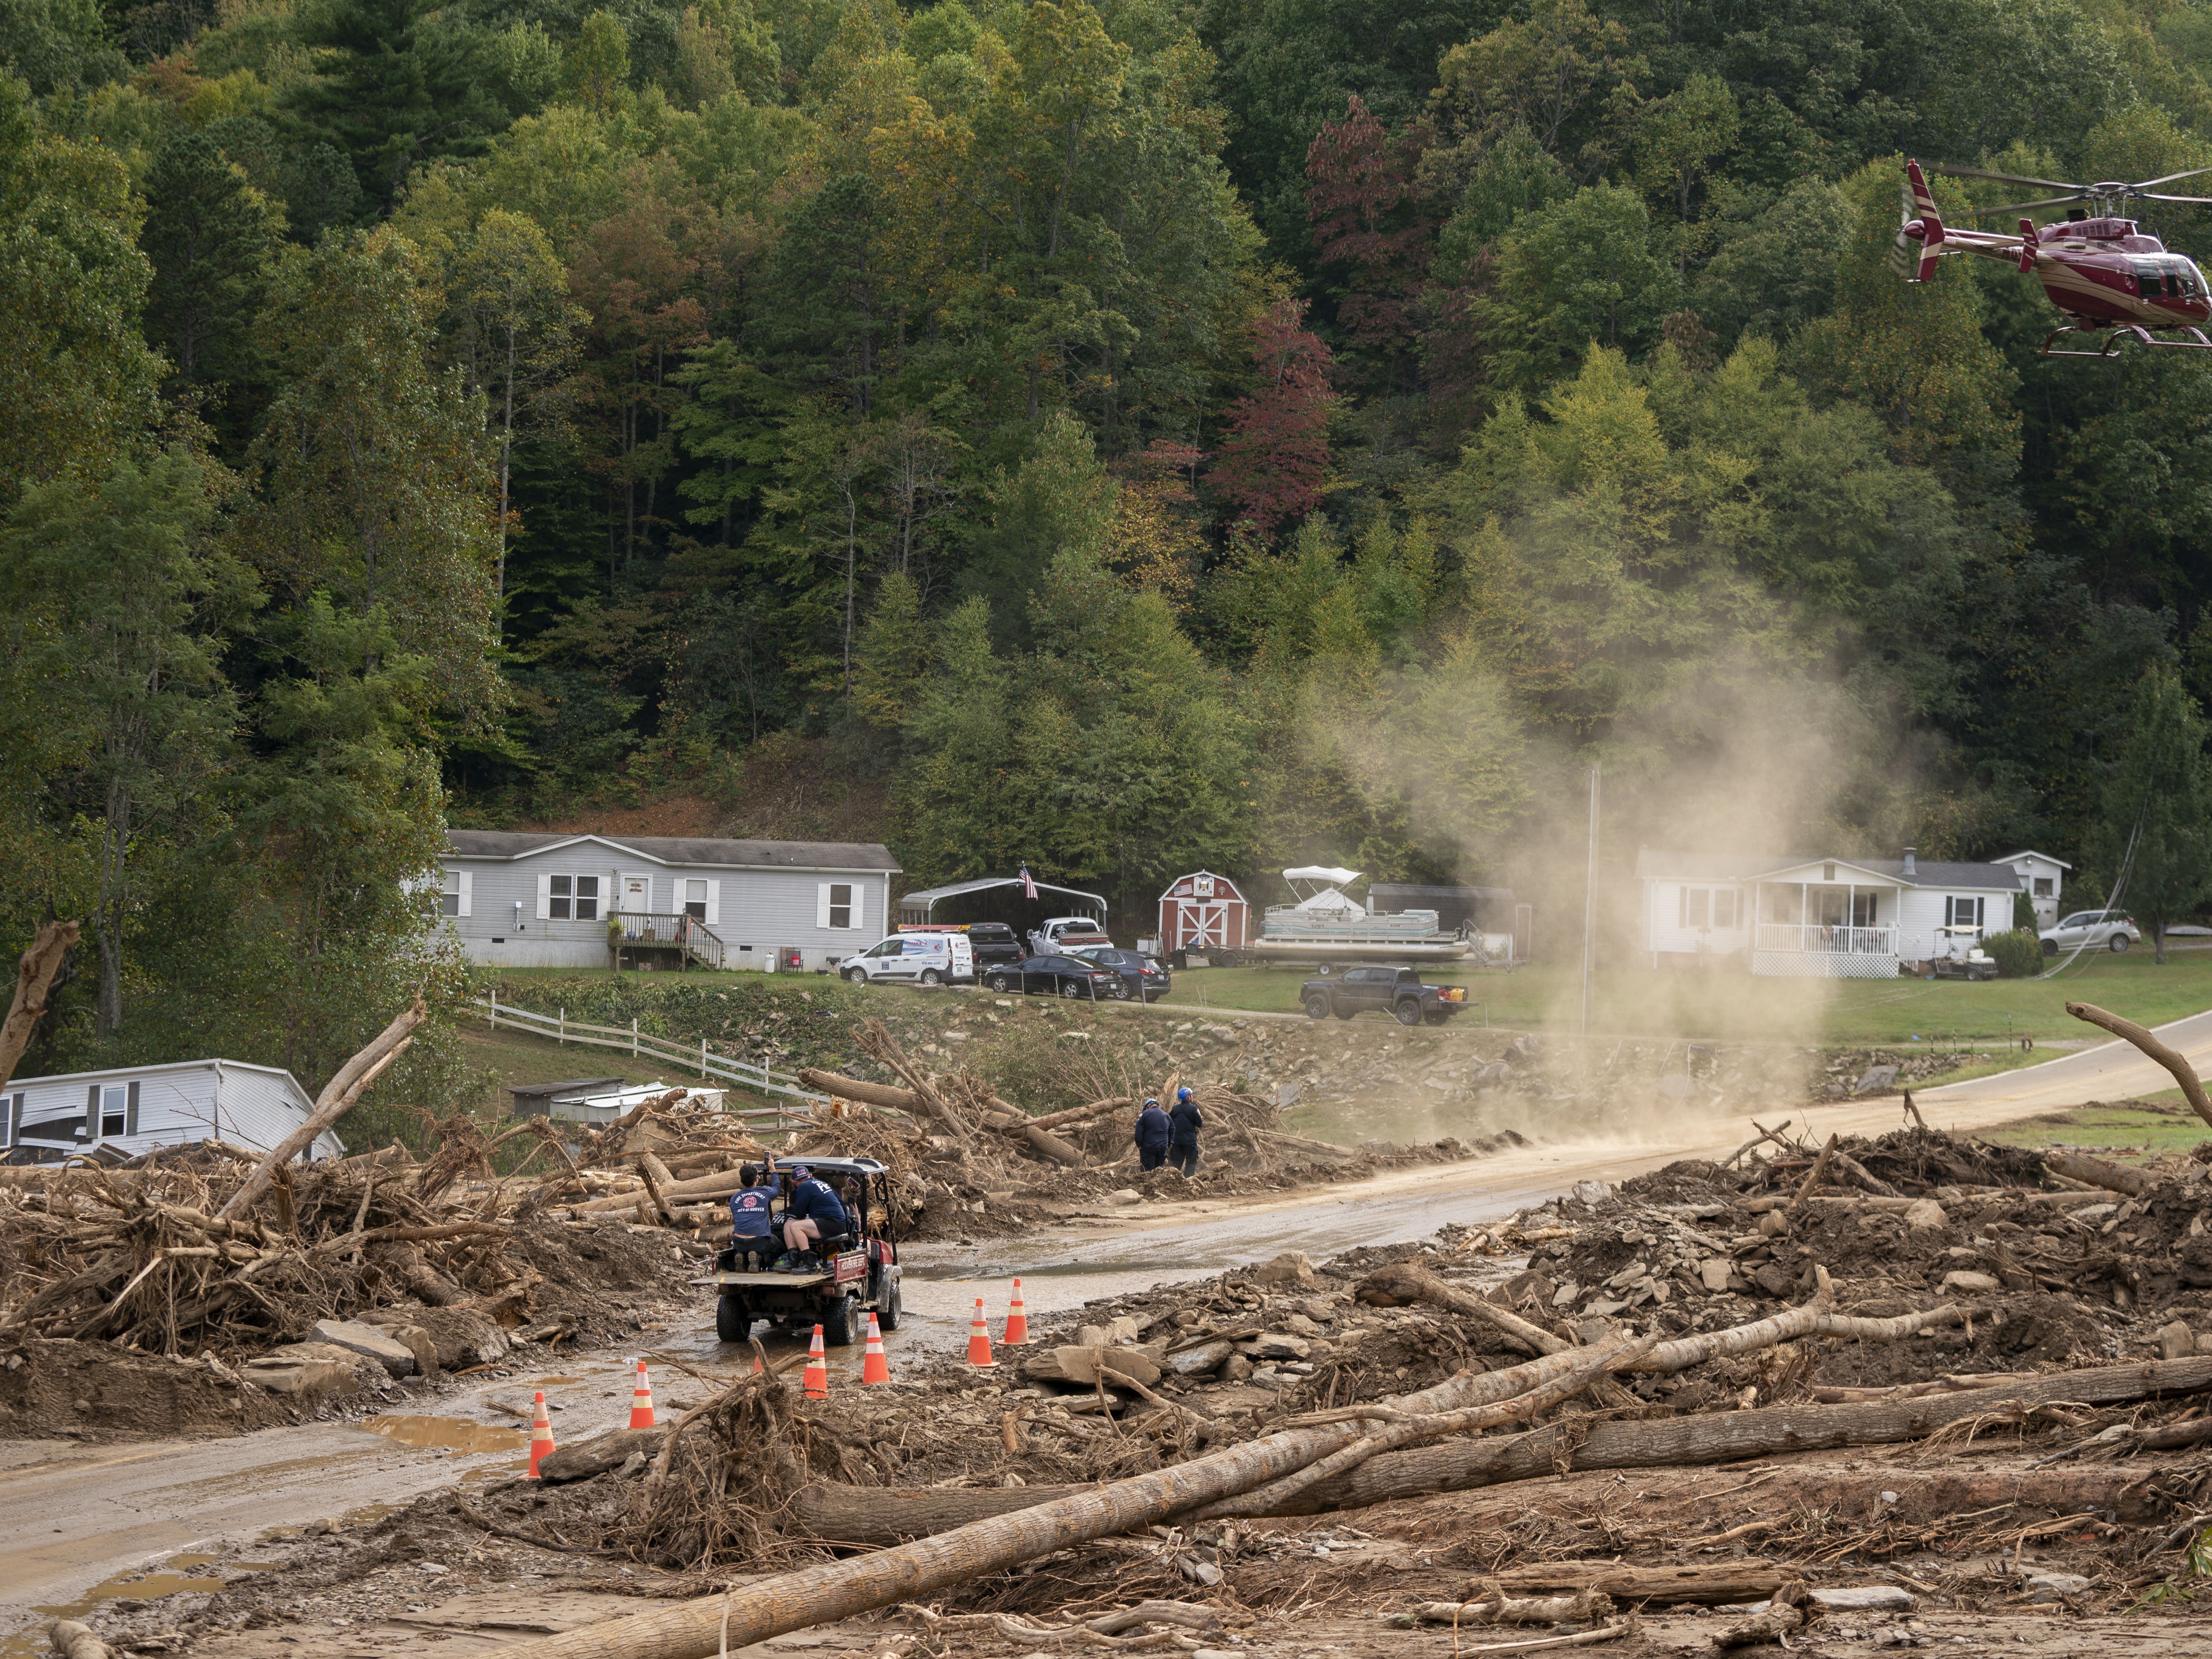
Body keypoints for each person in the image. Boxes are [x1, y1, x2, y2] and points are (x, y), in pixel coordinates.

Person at [779, 1164, 849, 1268]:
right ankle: (793, 1261)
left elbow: (799, 1213)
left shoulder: (804, 1186)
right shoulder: (822, 1183)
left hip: (832, 1222)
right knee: (788, 1225)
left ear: (794, 1182)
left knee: (795, 1226)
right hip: (836, 1222)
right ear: (810, 1175)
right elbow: (840, 1200)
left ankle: (810, 1263)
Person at [727, 1164, 780, 1272]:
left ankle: (742, 1257)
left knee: (749, 1247)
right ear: (756, 1179)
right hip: (759, 1241)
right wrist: (773, 1170)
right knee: (779, 1247)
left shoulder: (734, 1198)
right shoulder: (764, 1192)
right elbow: (777, 1189)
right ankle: (760, 1259)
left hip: (738, 1242)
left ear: (742, 1181)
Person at [1168, 1086, 1203, 1177]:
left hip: (1176, 1142)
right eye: (1191, 1095)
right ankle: (1188, 1181)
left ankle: (1172, 1180)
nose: (1192, 1097)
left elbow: (1169, 1122)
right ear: (1188, 1097)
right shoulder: (1194, 1109)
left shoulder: (1175, 1109)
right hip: (1190, 1142)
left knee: (1176, 1163)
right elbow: (1199, 1124)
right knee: (1192, 1162)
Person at [1133, 1098, 1170, 1172]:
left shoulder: (1143, 1115)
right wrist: (1167, 1144)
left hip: (1148, 1147)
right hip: (1162, 1148)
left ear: (1148, 1106)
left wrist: (1139, 1145)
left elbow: (1138, 1132)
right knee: (1159, 1171)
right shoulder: (1166, 1115)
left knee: (1147, 1172)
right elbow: (1172, 1130)